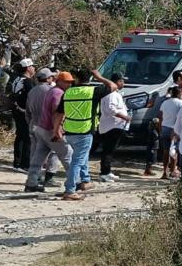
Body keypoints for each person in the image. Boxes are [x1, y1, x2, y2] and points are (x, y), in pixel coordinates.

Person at [54, 69, 117, 200]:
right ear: (90, 78)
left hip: (70, 131)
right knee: (77, 161)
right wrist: (99, 77)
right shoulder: (93, 91)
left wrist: (56, 129)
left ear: (76, 79)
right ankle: (70, 190)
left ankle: (85, 181)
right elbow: (113, 86)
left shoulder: (68, 92)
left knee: (81, 157)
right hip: (85, 130)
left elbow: (60, 112)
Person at [25, 69, 73, 193]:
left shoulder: (36, 90)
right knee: (67, 155)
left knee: (37, 158)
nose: (70, 85)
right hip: (50, 129)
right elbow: (57, 113)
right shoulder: (57, 93)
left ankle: (31, 183)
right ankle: (75, 183)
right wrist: (58, 130)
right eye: (67, 82)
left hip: (38, 126)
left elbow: (27, 111)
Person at [25, 67, 60, 188]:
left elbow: (27, 111)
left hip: (34, 124)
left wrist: (30, 123)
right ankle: (49, 178)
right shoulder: (52, 91)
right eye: (51, 76)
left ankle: (35, 177)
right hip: (47, 125)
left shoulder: (32, 91)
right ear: (48, 78)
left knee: (35, 152)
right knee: (53, 152)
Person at [98, 73, 132, 182]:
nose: (123, 83)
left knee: (110, 150)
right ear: (116, 81)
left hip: (115, 126)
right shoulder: (111, 94)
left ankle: (107, 171)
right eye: (122, 81)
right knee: (108, 150)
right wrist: (125, 117)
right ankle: (104, 173)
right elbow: (111, 109)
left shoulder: (115, 93)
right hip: (111, 126)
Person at [10, 58, 35, 173]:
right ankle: (25, 164)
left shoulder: (16, 79)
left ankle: (17, 162)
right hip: (25, 112)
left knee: (19, 136)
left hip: (16, 110)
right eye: (33, 66)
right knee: (27, 138)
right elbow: (33, 97)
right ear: (28, 68)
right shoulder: (28, 82)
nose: (34, 68)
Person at [157, 85, 182, 179]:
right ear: (180, 93)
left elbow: (160, 116)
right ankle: (172, 171)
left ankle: (164, 172)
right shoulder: (181, 103)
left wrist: (160, 128)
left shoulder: (164, 103)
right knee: (174, 151)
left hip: (165, 127)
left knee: (165, 151)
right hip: (175, 129)